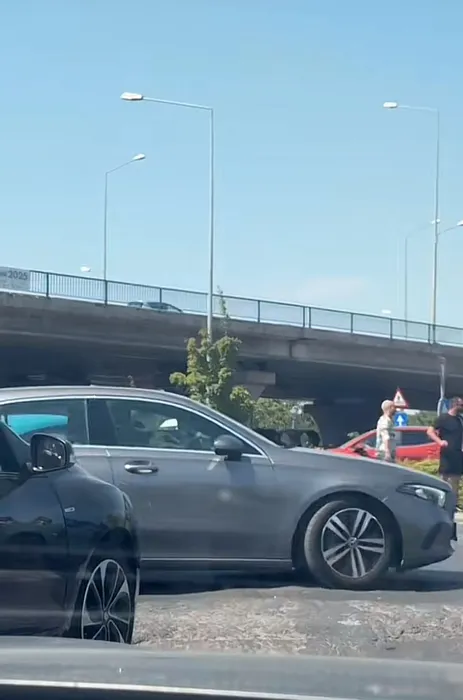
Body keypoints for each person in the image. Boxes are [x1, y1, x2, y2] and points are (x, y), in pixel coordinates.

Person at [427, 397, 463, 498]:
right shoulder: (443, 418)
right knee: (444, 481)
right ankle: (441, 501)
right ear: (455, 405)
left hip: (458, 456)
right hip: (446, 456)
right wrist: (440, 441)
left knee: (455, 483)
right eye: (461, 405)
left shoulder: (460, 419)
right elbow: (430, 431)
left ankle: (453, 503)